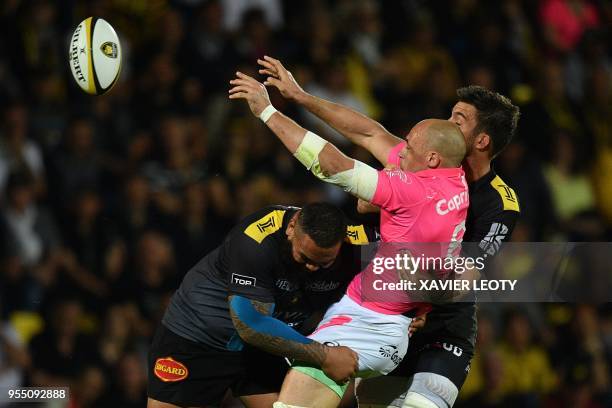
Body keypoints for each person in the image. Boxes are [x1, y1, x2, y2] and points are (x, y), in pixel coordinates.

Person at [256, 56, 521, 408]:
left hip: (441, 325)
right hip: (388, 313)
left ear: (482, 140)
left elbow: (465, 278)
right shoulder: (423, 161)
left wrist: (424, 301)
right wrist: (301, 97)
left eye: (458, 119)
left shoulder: (498, 204)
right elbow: (368, 132)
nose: (447, 122)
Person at [229, 70, 468, 407]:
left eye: (409, 148)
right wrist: (301, 96)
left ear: (431, 159)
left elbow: (333, 166)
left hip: (372, 325)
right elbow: (370, 132)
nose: (398, 155)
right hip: (380, 317)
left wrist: (268, 112)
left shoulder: (412, 190)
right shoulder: (453, 178)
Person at [148, 202, 376, 408]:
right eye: (305, 258)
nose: (312, 268)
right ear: (291, 227)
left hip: (269, 344)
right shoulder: (255, 240)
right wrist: (325, 355)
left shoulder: (356, 241)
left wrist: (412, 309)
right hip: (198, 338)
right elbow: (251, 324)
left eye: (323, 263)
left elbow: (404, 264)